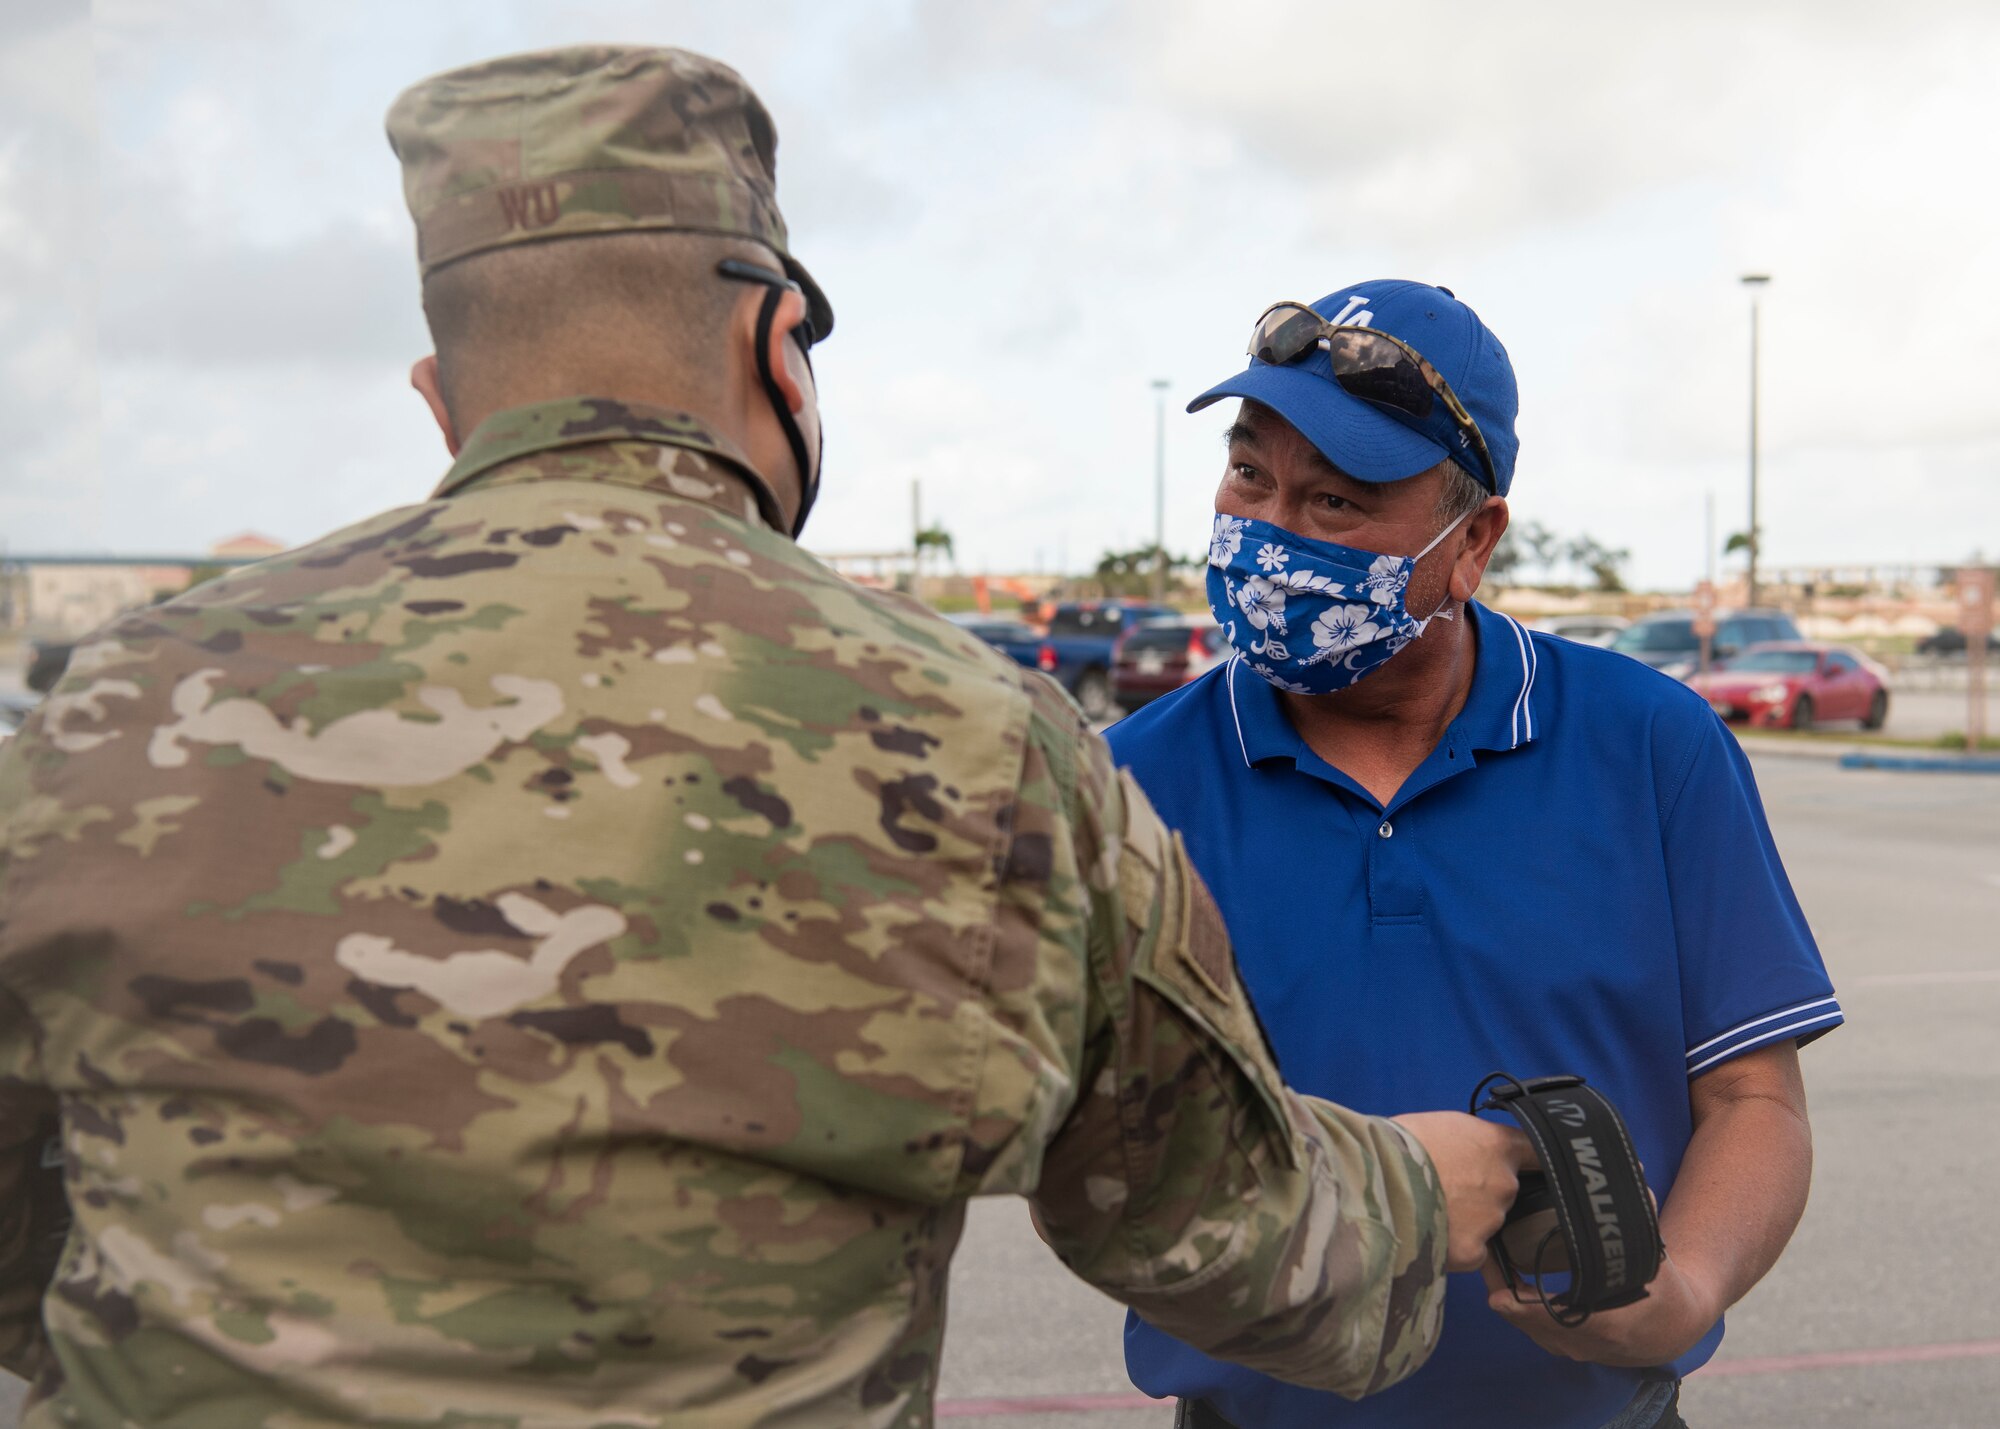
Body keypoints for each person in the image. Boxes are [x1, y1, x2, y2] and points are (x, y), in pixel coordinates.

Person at [0, 52, 1532, 1427]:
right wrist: (1435, 1187)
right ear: (775, 341)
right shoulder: (982, 744)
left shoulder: (112, 707)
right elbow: (1225, 1236)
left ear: (440, 396)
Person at [1112, 282, 1842, 1429]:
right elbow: (1090, 1153)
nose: (1270, 533)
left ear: (1472, 544)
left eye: (1338, 502)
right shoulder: (1127, 784)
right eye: (1251, 475)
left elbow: (1753, 1096)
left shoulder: (1651, 744)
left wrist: (1680, 1290)